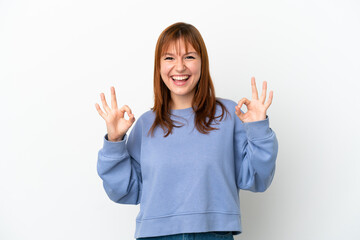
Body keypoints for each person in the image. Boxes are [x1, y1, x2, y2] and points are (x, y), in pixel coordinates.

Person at [95, 22, 278, 240]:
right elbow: (124, 190)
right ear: (159, 66)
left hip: (213, 234)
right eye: (169, 58)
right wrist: (115, 141)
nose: (179, 67)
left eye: (189, 57)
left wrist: (258, 128)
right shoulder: (146, 124)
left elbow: (258, 178)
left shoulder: (230, 115)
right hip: (156, 236)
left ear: (203, 63)